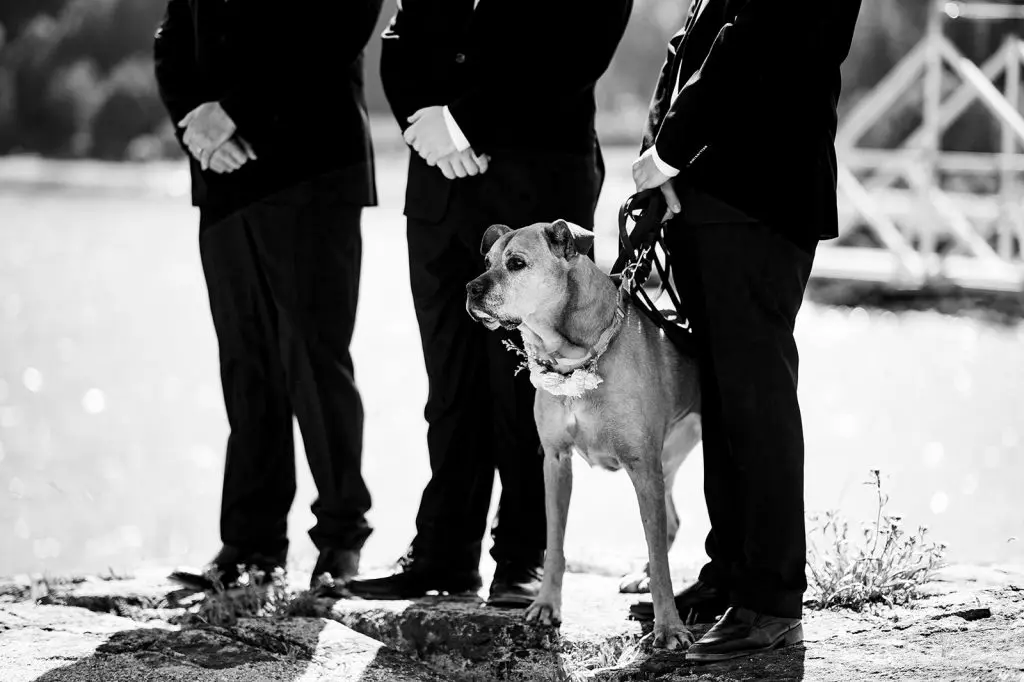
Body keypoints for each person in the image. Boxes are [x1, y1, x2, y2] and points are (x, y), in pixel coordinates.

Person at [345, 0, 633, 605]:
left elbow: (583, 41)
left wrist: (466, 121)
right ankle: (443, 556)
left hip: (537, 183)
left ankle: (524, 559)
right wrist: (427, 128)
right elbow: (400, 36)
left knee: (530, 386)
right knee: (448, 383)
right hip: (437, 188)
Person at [629, 0, 863, 661]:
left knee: (755, 396)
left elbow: (751, 38)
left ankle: (770, 598)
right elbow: (692, 42)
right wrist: (661, 156)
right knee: (725, 397)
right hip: (712, 192)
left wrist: (670, 149)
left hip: (761, 189)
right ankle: (730, 571)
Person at [153, 0, 384, 592]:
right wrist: (193, 123)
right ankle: (251, 544)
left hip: (311, 165)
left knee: (314, 358)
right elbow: (173, 36)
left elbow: (339, 25)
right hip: (222, 176)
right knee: (245, 359)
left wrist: (234, 112)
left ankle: (340, 537)